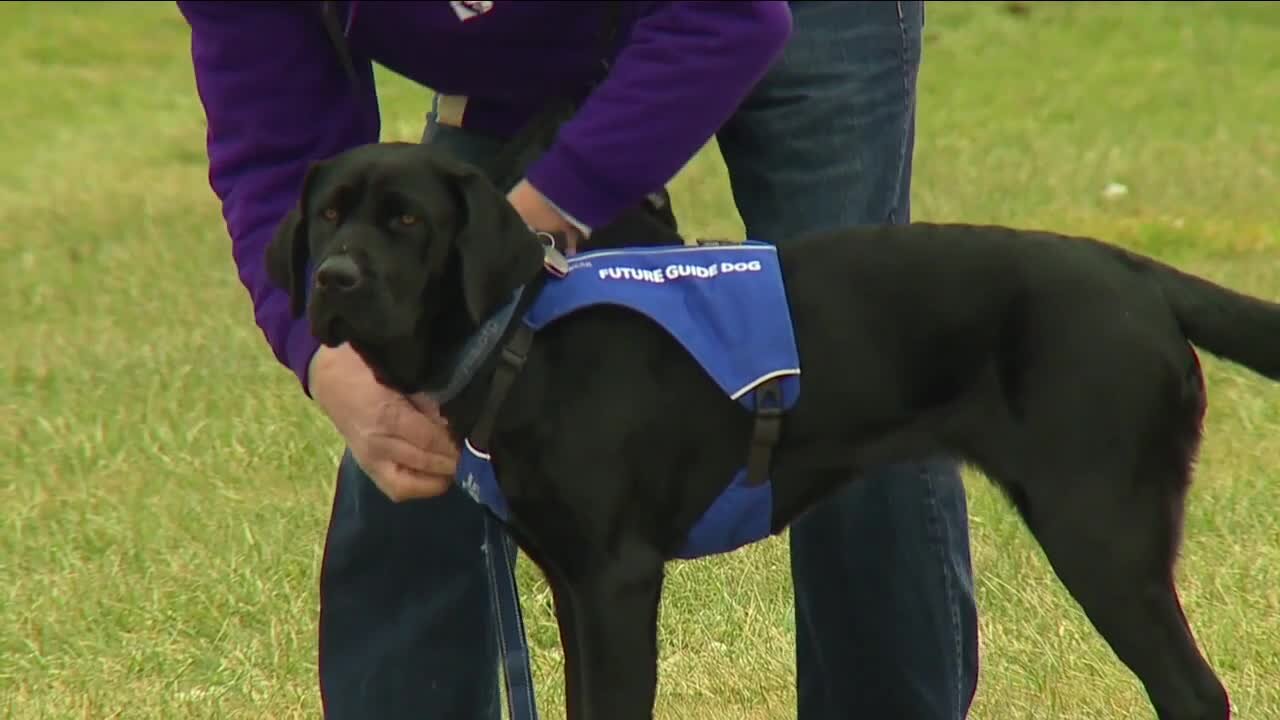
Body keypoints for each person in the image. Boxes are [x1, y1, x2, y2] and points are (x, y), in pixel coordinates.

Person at [177, 1, 979, 718]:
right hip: (526, 47)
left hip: (799, 17)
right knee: (414, 402)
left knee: (866, 387)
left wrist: (513, 242)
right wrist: (332, 365)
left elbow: (733, 19)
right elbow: (277, 149)